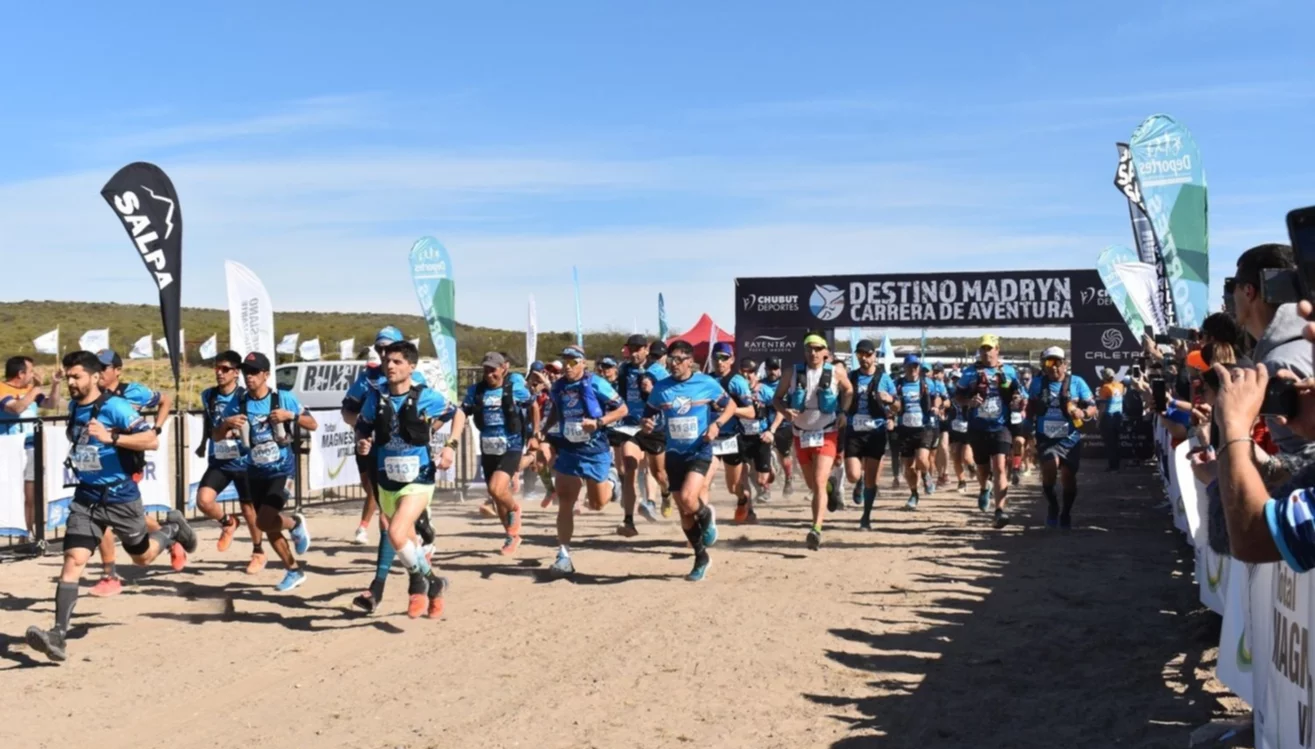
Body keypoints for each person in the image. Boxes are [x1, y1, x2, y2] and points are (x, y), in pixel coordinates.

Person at [23, 351, 197, 663]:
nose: (72, 382)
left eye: (76, 376)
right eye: (69, 376)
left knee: (142, 557)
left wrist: (111, 436)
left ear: (93, 377)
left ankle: (171, 529)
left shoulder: (116, 406)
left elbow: (151, 440)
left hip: (121, 498)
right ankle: (58, 635)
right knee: (73, 559)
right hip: (87, 497)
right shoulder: (76, 407)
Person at [352, 341, 456, 618]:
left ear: (411, 366)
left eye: (397, 361)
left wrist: (449, 445)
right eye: (387, 361)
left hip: (418, 479)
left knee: (396, 533)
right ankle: (435, 583)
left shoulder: (425, 396)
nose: (390, 365)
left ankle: (422, 583)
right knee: (408, 543)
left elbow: (455, 413)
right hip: (387, 479)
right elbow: (362, 426)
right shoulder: (376, 397)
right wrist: (363, 442)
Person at [214, 352, 317, 592]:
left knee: (264, 519)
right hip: (254, 471)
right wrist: (227, 425)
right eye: (246, 373)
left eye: (254, 373)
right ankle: (293, 570)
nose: (249, 377)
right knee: (269, 526)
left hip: (282, 470)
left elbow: (313, 424)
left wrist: (290, 416)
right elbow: (217, 436)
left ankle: (294, 523)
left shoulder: (283, 398)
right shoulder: (237, 402)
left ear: (266, 375)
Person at [88, 349, 172, 596]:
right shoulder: (91, 394)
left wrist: (156, 429)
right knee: (105, 514)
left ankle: (168, 533)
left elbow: (165, 399)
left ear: (117, 370)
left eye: (103, 368)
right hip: (99, 466)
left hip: (127, 460)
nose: (99, 373)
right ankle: (109, 574)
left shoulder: (133, 391)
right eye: (95, 368)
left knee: (119, 513)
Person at [537, 345, 627, 577]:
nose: (567, 366)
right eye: (564, 361)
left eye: (572, 361)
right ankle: (563, 555)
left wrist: (598, 423)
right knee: (566, 498)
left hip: (594, 449)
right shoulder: (558, 386)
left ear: (582, 363)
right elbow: (556, 410)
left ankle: (612, 480)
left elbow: (622, 409)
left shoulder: (596, 383)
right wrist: (544, 433)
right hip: (568, 448)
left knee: (598, 504)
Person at [642, 340, 727, 581]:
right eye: (670, 360)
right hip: (674, 454)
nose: (673, 364)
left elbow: (730, 406)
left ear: (690, 361)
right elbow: (648, 416)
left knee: (690, 498)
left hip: (699, 450)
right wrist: (646, 424)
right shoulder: (661, 388)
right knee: (684, 511)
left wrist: (716, 424)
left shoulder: (706, 383)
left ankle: (707, 515)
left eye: (679, 359)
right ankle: (701, 557)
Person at [1231, 243, 1315, 477]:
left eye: (1232, 285)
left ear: (1248, 291)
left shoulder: (1279, 364)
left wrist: (1233, 440)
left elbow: (1304, 466)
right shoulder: (1302, 344)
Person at [341, 326, 430, 546]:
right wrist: (366, 429)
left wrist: (426, 432)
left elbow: (436, 411)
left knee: (394, 505)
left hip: (405, 450)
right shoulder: (368, 378)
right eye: (379, 349)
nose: (384, 356)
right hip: (370, 445)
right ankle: (409, 540)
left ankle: (411, 537)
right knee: (374, 493)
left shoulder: (415, 377)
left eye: (389, 350)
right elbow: (347, 411)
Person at [770, 333, 854, 550]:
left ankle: (816, 529)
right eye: (809, 349)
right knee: (812, 484)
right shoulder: (791, 372)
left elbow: (849, 390)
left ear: (825, 351)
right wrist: (785, 411)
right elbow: (776, 399)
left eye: (818, 349)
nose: (813, 353)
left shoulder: (836, 371)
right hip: (801, 433)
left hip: (827, 432)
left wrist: (844, 411)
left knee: (816, 483)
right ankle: (830, 486)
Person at [448, 351, 535, 555]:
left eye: (493, 370)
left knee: (497, 489)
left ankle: (515, 509)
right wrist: (452, 439)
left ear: (503, 368)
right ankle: (512, 536)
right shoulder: (476, 391)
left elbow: (534, 406)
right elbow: (462, 412)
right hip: (488, 448)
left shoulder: (514, 389)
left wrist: (535, 433)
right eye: (485, 370)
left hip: (511, 446)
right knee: (497, 498)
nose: (489, 374)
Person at [192, 350, 264, 573]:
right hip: (220, 459)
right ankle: (228, 523)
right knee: (203, 501)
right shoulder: (208, 395)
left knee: (249, 509)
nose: (219, 373)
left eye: (225, 369)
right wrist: (205, 442)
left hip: (244, 461)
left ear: (236, 373)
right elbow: (210, 421)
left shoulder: (245, 396)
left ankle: (258, 551)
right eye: (217, 368)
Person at [956, 335, 1024, 528]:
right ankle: (984, 488)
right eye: (983, 349)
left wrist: (1016, 399)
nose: (986, 352)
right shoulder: (970, 372)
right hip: (978, 427)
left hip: (1001, 426)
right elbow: (958, 396)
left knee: (1000, 467)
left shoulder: (1008, 371)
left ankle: (1000, 510)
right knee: (983, 468)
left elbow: (1020, 394)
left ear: (997, 350)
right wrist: (969, 402)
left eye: (989, 348)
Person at [1028, 348, 1097, 529]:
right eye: (1049, 363)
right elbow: (1029, 407)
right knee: (1049, 468)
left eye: (1058, 363)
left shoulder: (1077, 382)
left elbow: (1092, 406)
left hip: (1070, 438)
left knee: (1068, 477)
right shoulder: (1037, 383)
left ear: (1065, 364)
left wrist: (1082, 412)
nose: (1054, 368)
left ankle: (1065, 512)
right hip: (1046, 437)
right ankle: (1053, 505)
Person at [611, 334, 670, 532]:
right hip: (631, 427)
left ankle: (665, 493)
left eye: (638, 349)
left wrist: (652, 390)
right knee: (630, 468)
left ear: (646, 350)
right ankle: (628, 521)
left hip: (654, 428)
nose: (634, 353)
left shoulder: (658, 371)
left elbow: (668, 398)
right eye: (631, 349)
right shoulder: (624, 369)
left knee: (659, 473)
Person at [1, 356, 61, 538]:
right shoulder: (2, 389)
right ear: (20, 373)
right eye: (31, 370)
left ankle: (26, 534)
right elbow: (17, 408)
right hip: (8, 449)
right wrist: (36, 388)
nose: (33, 374)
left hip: (31, 447)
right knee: (10, 493)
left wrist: (56, 384)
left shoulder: (30, 390)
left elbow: (51, 404)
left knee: (31, 494)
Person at [843, 340, 896, 530]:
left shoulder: (884, 378)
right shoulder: (851, 377)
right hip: (854, 432)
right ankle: (857, 483)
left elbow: (898, 405)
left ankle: (866, 516)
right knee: (852, 474)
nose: (864, 358)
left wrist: (889, 399)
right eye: (860, 355)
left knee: (871, 479)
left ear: (874, 356)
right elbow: (843, 398)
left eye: (867, 354)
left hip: (876, 432)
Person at [707, 343, 757, 523]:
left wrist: (730, 410)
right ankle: (703, 523)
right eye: (716, 358)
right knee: (704, 482)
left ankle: (743, 500)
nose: (720, 362)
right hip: (710, 438)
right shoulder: (706, 380)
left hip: (731, 438)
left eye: (724, 358)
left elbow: (751, 413)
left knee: (733, 486)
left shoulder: (737, 381)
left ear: (732, 360)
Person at [890, 355, 943, 511]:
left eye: (916, 366)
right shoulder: (897, 384)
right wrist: (891, 413)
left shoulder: (927, 383)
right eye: (910, 366)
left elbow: (939, 398)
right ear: (904, 367)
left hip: (924, 427)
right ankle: (913, 493)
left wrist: (935, 406)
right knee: (908, 467)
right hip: (905, 428)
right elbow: (890, 401)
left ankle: (926, 475)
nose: (913, 369)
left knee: (921, 459)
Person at [733, 357, 773, 523]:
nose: (746, 375)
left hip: (761, 437)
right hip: (741, 437)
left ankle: (770, 468)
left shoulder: (765, 391)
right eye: (743, 372)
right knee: (742, 476)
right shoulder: (735, 389)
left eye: (750, 372)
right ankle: (749, 511)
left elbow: (779, 409)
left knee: (761, 480)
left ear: (757, 374)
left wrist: (772, 430)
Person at [760, 357, 794, 500]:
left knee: (784, 456)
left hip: (783, 425)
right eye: (770, 368)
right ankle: (765, 490)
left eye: (775, 368)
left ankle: (788, 478)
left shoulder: (785, 384)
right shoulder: (761, 385)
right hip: (764, 425)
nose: (772, 371)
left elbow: (782, 410)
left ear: (780, 369)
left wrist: (773, 429)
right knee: (764, 458)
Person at [1096, 368, 1127, 472]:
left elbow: (1102, 407)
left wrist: (1098, 420)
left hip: (1108, 418)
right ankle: (1116, 464)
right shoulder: (1121, 386)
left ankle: (1113, 466)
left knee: (1110, 443)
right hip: (1118, 417)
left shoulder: (1105, 388)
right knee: (1116, 442)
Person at [1008, 366, 1035, 485]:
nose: (1025, 381)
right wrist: (1015, 402)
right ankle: (1016, 469)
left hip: (1034, 420)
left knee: (1032, 446)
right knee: (1018, 444)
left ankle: (1030, 466)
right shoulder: (1017, 389)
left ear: (1032, 378)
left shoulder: (1036, 388)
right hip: (1020, 422)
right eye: (1023, 379)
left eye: (1027, 379)